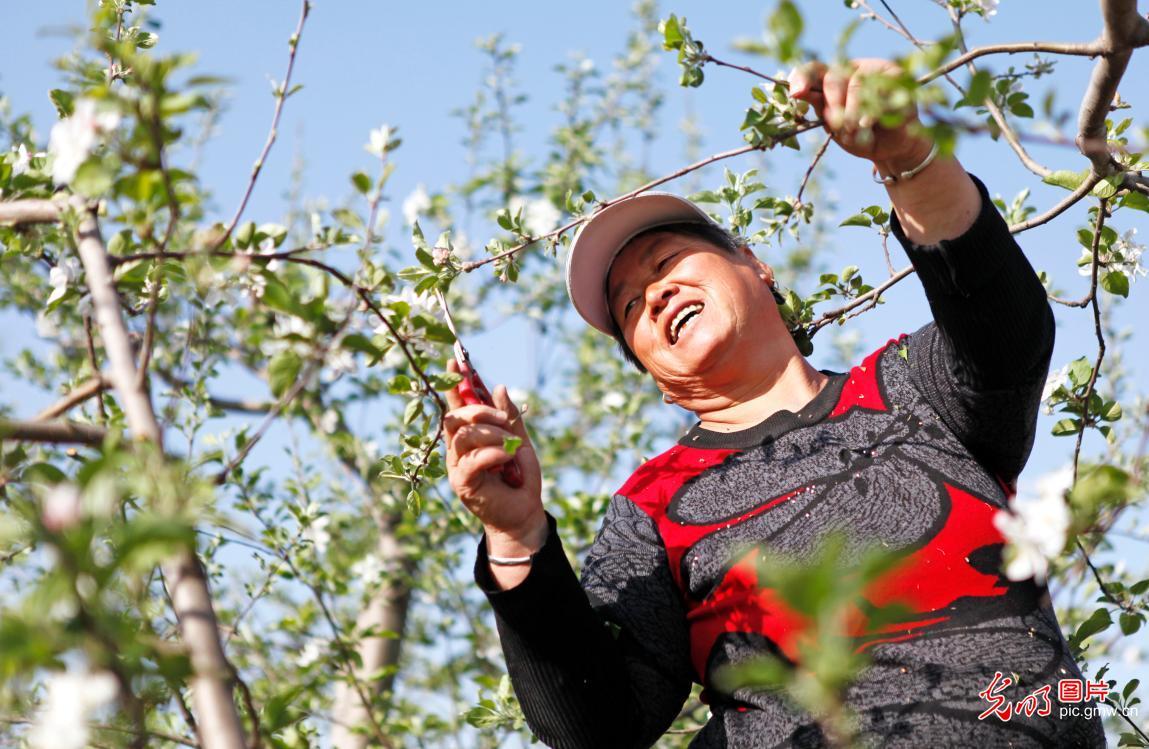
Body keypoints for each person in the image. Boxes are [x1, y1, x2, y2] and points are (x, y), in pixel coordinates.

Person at [443, 59, 1105, 748]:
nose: (657, 294)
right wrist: (517, 537)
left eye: (667, 262)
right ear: (654, 375)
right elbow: (596, 726)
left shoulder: (911, 384)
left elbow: (1005, 326)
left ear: (753, 261)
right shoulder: (651, 507)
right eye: (631, 306)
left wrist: (909, 158)